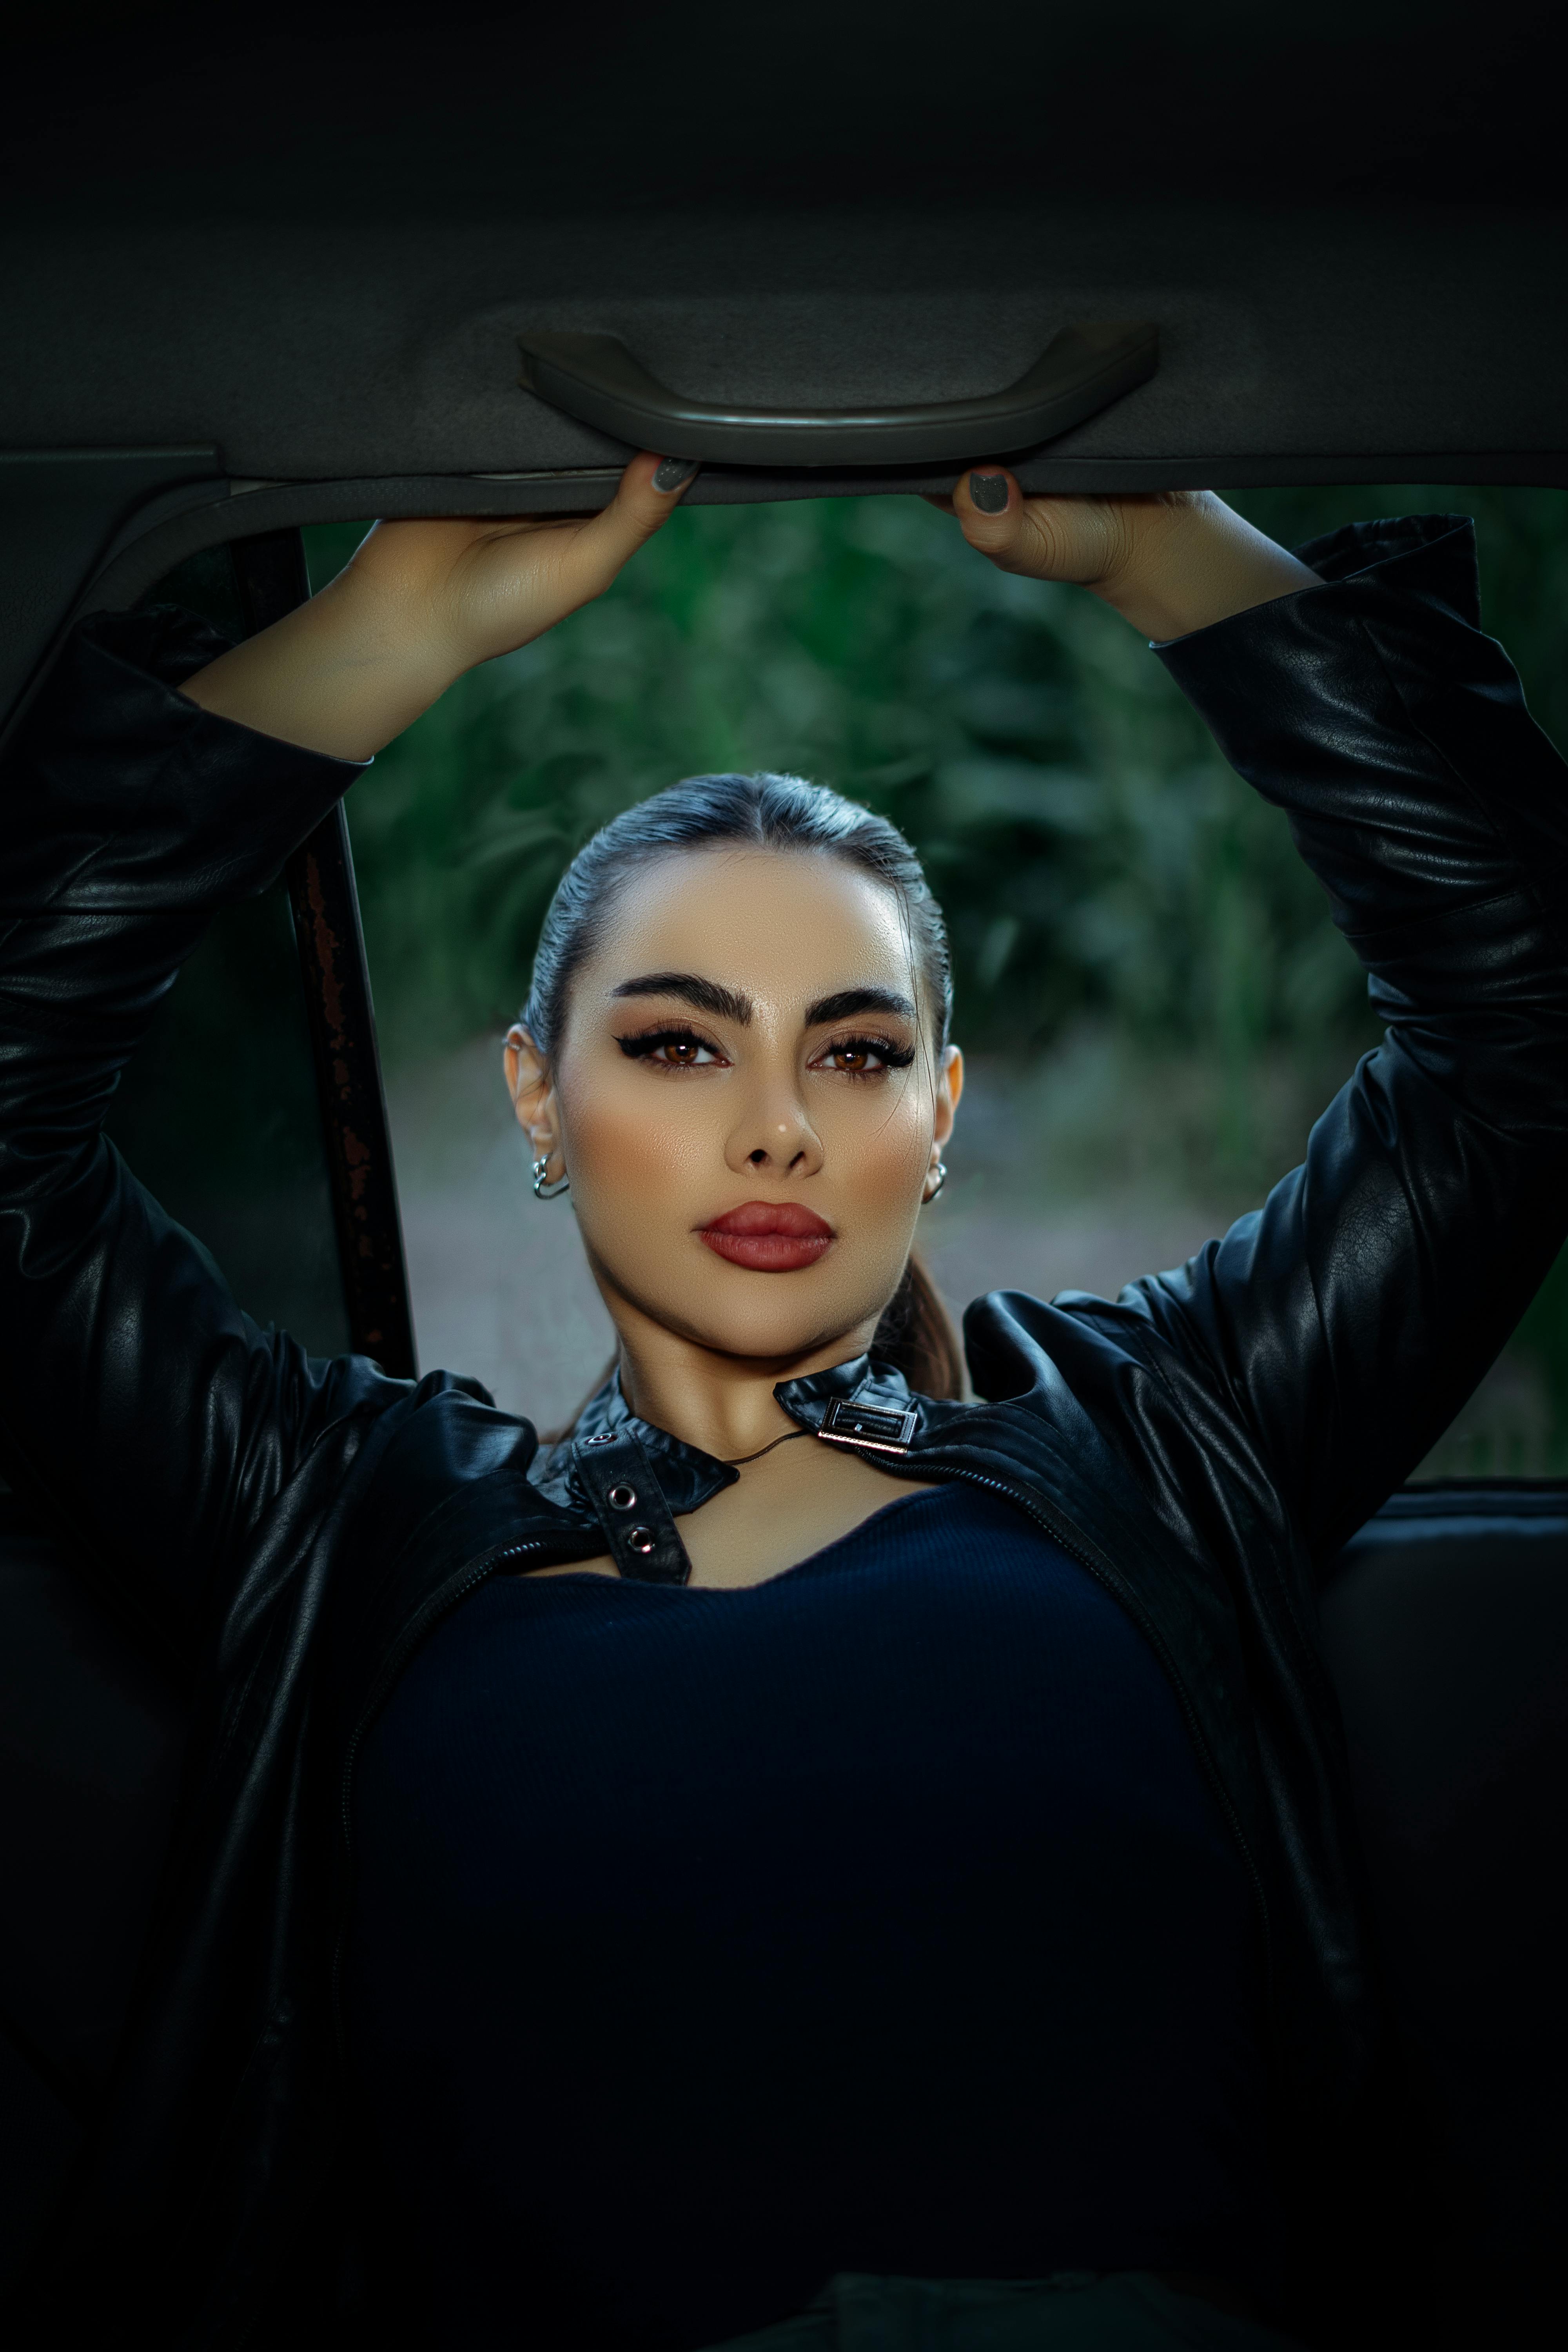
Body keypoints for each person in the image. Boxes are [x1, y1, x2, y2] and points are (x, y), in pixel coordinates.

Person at [3, 455, 1566, 2352]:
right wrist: (379, 636)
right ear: (534, 1101)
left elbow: (1523, 1031)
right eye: (672, 1043)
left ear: (940, 1116)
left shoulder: (1159, 1430)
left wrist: (1169, 553)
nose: (773, 1124)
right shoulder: (339, 1521)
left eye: (856, 1051)